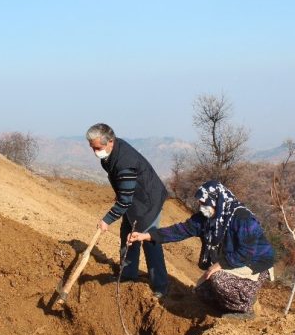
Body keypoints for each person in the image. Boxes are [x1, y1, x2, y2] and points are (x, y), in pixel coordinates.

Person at [128, 180, 275, 319]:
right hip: (233, 261)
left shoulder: (242, 218)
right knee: (202, 292)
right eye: (200, 203)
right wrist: (147, 235)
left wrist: (220, 264)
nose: (202, 207)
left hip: (254, 262)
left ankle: (245, 310)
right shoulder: (207, 218)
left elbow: (247, 251)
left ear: (217, 200)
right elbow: (181, 230)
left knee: (218, 279)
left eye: (205, 203)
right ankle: (236, 303)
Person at [86, 123, 170, 298]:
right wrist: (122, 193)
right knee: (127, 234)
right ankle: (128, 275)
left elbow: (125, 201)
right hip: (134, 199)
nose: (95, 152)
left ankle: (160, 287)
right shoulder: (111, 153)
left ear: (110, 141)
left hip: (148, 202)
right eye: (92, 147)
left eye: (98, 148)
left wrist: (106, 220)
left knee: (149, 240)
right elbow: (124, 194)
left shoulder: (125, 161)